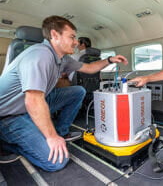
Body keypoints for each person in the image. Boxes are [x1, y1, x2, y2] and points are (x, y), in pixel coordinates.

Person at [0, 15, 128, 171]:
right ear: (55, 35)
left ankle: (62, 132)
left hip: (32, 106)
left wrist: (109, 60)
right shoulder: (40, 55)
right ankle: (8, 143)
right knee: (57, 162)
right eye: (72, 37)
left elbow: (89, 68)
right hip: (10, 116)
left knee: (77, 91)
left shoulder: (63, 59)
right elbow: (33, 101)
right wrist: (51, 138)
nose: (76, 41)